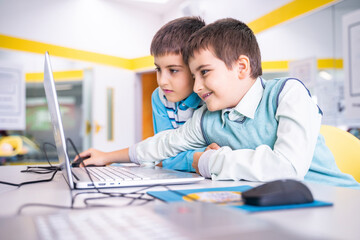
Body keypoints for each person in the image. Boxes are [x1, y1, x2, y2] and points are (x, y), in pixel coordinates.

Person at [79, 18, 360, 189]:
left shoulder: (289, 94)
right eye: (193, 75)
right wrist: (108, 157)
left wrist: (209, 161)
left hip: (338, 201)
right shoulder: (208, 118)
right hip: (284, 209)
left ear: (241, 67)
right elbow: (162, 144)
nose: (197, 86)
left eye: (203, 73)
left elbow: (286, 168)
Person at [79, 16, 205, 172]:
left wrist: (198, 160)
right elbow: (164, 155)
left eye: (173, 70)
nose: (162, 81)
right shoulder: (160, 97)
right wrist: (197, 159)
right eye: (158, 69)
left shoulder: (211, 100)